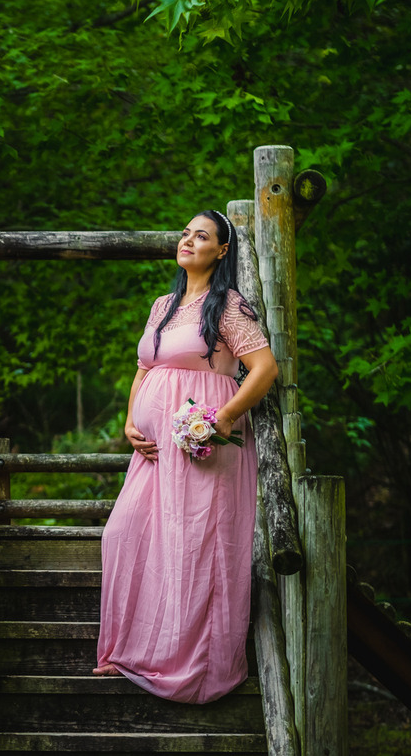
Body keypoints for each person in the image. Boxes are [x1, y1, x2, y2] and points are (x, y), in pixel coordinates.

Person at [92, 209, 279, 704]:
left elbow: (263, 369)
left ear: (221, 251)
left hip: (201, 447)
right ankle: (133, 649)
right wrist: (131, 421)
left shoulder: (230, 306)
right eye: (185, 234)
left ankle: (196, 667)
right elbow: (143, 367)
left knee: (195, 547)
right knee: (124, 535)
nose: (188, 241)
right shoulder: (163, 304)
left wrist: (221, 418)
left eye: (202, 236)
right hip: (153, 452)